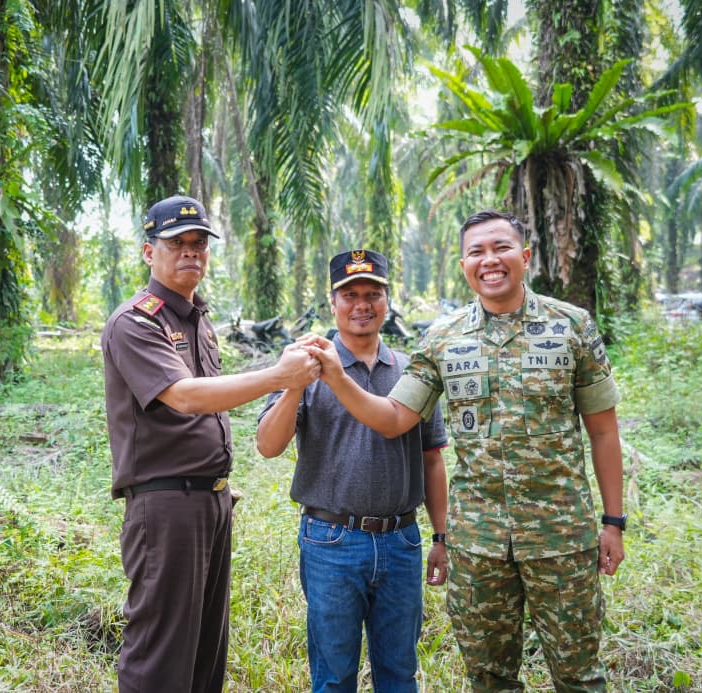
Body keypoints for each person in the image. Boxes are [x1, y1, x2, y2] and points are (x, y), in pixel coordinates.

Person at [300, 211, 626, 692]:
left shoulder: (571, 326)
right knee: (489, 679)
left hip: (561, 539)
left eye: (501, 248)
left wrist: (613, 522)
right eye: (477, 252)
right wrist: (336, 376)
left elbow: (603, 431)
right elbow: (393, 419)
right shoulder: (443, 338)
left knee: (579, 676)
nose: (490, 261)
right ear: (463, 264)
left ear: (525, 256)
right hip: (479, 547)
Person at [101, 194, 321, 692]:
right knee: (160, 653)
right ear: (147, 250)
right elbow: (182, 397)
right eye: (176, 243)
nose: (190, 253)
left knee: (205, 651)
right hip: (164, 506)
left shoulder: (198, 319)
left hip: (211, 499)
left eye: (199, 243)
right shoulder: (136, 321)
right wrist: (277, 375)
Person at [255, 248, 450, 692]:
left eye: (372, 293)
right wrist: (293, 386)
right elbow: (268, 446)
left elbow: (432, 457)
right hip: (332, 541)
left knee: (400, 674)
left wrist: (441, 537)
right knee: (333, 676)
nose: (361, 304)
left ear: (387, 301)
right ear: (333, 303)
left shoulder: (411, 371)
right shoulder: (307, 366)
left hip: (402, 540)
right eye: (350, 294)